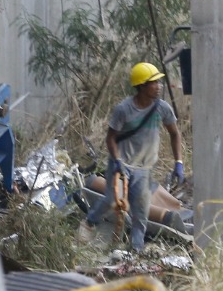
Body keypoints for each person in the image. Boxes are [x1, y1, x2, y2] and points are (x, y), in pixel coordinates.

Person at [77, 62, 185, 250]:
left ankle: (136, 252)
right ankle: (90, 222)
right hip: (121, 165)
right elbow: (111, 138)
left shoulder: (163, 108)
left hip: (143, 169)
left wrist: (179, 162)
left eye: (159, 82)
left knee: (140, 213)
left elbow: (175, 134)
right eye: (154, 83)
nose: (159, 86)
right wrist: (117, 161)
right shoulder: (124, 109)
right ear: (142, 86)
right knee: (112, 200)